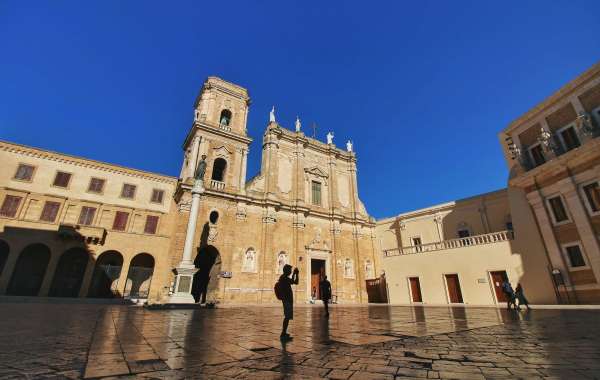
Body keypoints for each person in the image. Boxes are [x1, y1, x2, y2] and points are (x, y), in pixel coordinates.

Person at [277, 264, 299, 340]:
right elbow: (296, 282)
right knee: (287, 317)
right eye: (290, 270)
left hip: (287, 300)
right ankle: (283, 333)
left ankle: (284, 332)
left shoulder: (284, 278)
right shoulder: (284, 278)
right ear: (286, 270)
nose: (290, 271)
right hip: (287, 300)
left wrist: (295, 274)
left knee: (287, 316)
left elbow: (293, 281)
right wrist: (296, 274)